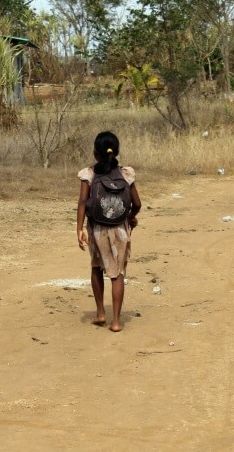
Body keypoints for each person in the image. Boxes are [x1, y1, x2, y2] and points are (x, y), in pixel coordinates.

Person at [76, 131, 141, 332]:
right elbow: (137, 203)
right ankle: (116, 322)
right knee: (117, 274)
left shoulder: (89, 174)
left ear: (96, 153)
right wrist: (130, 217)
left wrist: (79, 228)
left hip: (97, 228)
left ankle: (100, 313)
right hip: (120, 229)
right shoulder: (126, 174)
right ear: (117, 151)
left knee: (97, 267)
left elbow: (82, 203)